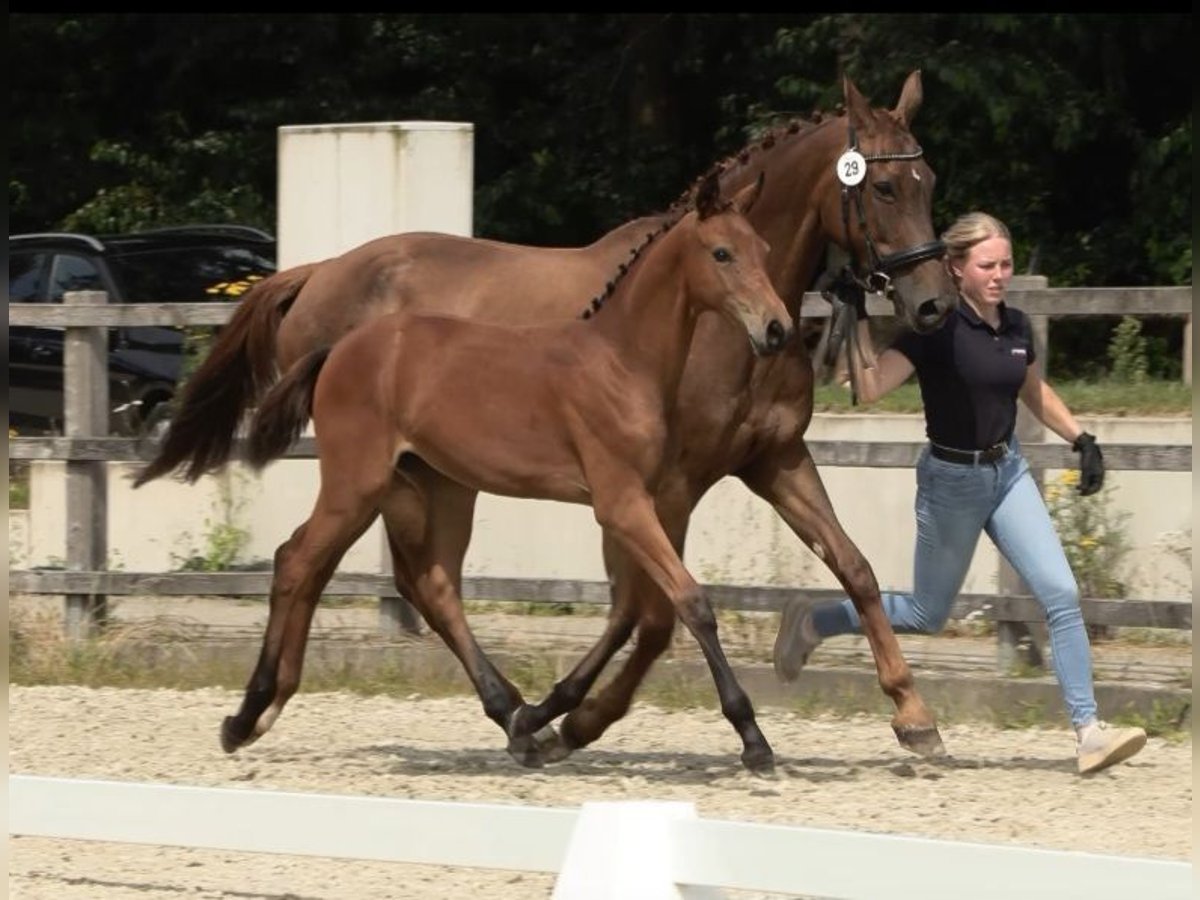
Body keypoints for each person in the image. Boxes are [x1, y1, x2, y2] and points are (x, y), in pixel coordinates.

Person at [774, 211, 1147, 775]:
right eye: (988, 265)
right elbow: (868, 388)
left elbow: (1031, 389)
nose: (1000, 274)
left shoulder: (1017, 326)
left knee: (1061, 594)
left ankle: (1088, 732)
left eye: (1006, 264)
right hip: (952, 480)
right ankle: (816, 620)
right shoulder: (935, 331)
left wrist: (1081, 437)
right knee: (927, 613)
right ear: (956, 268)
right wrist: (854, 321)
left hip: (1009, 473)